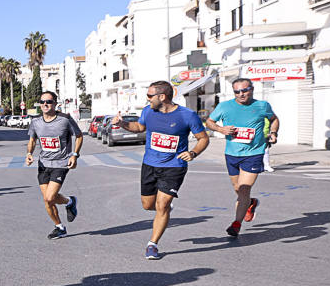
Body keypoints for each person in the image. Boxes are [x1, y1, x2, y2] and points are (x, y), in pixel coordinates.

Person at [112, 80, 209, 260]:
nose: (147, 99)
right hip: (150, 164)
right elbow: (139, 127)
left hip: (174, 166)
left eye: (150, 95)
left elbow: (203, 138)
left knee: (161, 205)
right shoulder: (148, 111)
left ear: (162, 97)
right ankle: (164, 208)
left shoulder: (187, 116)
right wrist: (123, 124)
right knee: (148, 205)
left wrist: (193, 153)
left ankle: (152, 244)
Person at [205, 78, 279, 237]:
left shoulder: (262, 106)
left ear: (251, 89)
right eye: (237, 92)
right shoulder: (224, 106)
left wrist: (273, 133)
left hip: (253, 153)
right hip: (232, 154)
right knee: (238, 189)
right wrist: (220, 129)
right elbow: (209, 121)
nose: (241, 94)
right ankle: (250, 203)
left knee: (244, 189)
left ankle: (236, 224)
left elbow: (274, 119)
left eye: (244, 90)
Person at [25, 91, 83, 239]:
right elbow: (32, 139)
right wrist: (29, 153)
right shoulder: (35, 121)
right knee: (48, 199)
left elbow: (79, 135)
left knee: (50, 198)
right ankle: (60, 225)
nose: (45, 104)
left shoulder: (65, 119)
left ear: (55, 104)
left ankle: (69, 203)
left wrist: (75, 155)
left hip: (61, 163)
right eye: (42, 101)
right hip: (43, 164)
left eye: (49, 101)